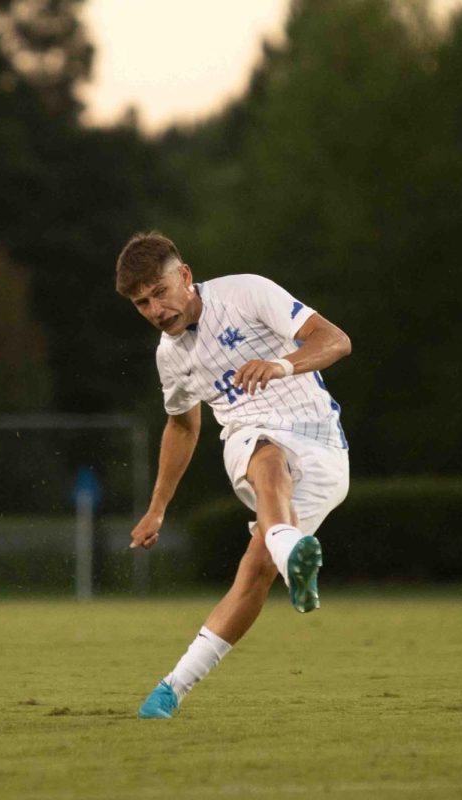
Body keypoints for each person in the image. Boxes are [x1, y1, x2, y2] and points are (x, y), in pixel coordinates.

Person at [115, 232, 352, 719]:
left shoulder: (246, 292)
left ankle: (284, 555)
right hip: (252, 436)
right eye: (141, 303)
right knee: (266, 454)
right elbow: (182, 425)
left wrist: (281, 365)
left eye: (159, 293)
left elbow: (336, 340)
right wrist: (158, 507)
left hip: (326, 450)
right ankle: (171, 691)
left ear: (184, 275)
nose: (155, 310)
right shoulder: (171, 356)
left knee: (255, 570)